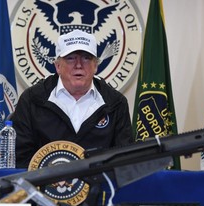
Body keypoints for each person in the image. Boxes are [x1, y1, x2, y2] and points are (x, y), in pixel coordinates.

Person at [12, 29, 133, 168]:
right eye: (70, 58)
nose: (79, 65)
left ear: (96, 66)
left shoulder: (115, 103)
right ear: (57, 66)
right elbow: (20, 158)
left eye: (86, 58)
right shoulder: (32, 99)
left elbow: (124, 160)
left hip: (99, 186)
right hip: (44, 186)